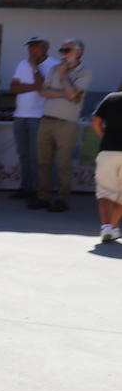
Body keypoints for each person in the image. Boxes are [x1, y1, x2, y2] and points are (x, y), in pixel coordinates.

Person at [35, 38, 92, 213]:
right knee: (43, 161)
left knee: (63, 163)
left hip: (66, 124)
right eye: (61, 50)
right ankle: (43, 196)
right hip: (47, 120)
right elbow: (43, 92)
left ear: (78, 53)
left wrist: (63, 75)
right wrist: (65, 93)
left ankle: (62, 198)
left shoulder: (84, 73)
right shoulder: (53, 69)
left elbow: (75, 96)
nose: (62, 54)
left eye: (66, 50)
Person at [8, 36, 58, 205]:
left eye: (35, 46)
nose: (31, 50)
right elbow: (13, 88)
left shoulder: (54, 65)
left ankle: (39, 191)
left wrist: (36, 69)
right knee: (23, 154)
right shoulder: (22, 64)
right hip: (20, 115)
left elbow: (44, 87)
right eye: (30, 47)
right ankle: (25, 187)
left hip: (40, 116)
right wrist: (34, 86)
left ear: (45, 47)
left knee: (37, 156)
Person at [91, 84, 122, 242]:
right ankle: (113, 227)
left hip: (109, 150)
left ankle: (107, 227)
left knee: (106, 191)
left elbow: (96, 121)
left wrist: (103, 136)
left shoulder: (111, 98)